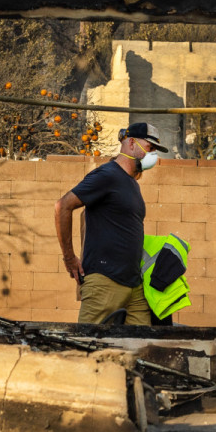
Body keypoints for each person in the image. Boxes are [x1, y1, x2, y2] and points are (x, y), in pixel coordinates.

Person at [53, 122, 166, 326]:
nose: (153, 156)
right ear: (131, 143)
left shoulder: (131, 183)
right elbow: (62, 206)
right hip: (106, 281)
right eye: (150, 148)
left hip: (134, 284)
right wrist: (69, 258)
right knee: (89, 348)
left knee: (140, 348)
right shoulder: (107, 175)